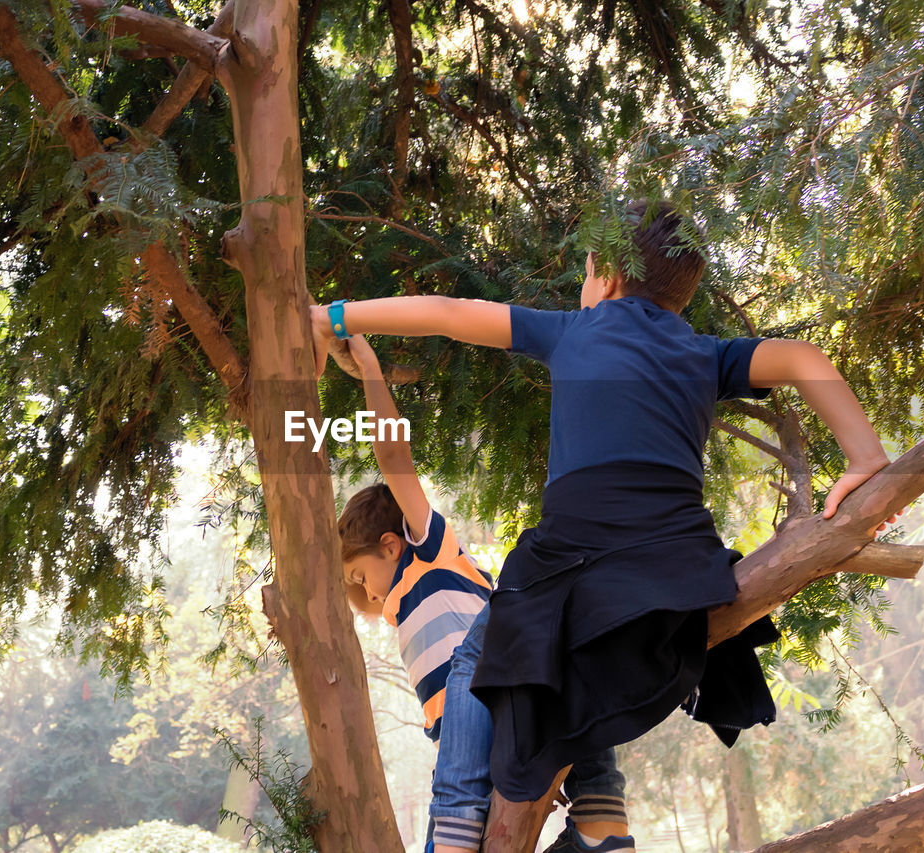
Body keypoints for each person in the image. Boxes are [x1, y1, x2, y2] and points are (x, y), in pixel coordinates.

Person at [313, 200, 894, 853]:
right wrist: (867, 459)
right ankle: (600, 820)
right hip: (675, 572)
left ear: (608, 273)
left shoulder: (573, 331)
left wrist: (335, 315)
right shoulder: (705, 352)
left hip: (577, 556)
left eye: (585, 272)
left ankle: (453, 829)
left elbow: (447, 312)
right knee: (576, 647)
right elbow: (802, 355)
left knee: (480, 656)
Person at [334, 334, 635, 853]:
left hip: (494, 707)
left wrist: (370, 375)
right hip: (469, 739)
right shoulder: (399, 604)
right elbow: (351, 595)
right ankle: (598, 836)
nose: (365, 593)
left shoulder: (428, 554)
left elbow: (393, 458)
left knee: (454, 815)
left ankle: (600, 811)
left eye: (362, 576)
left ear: (389, 545)